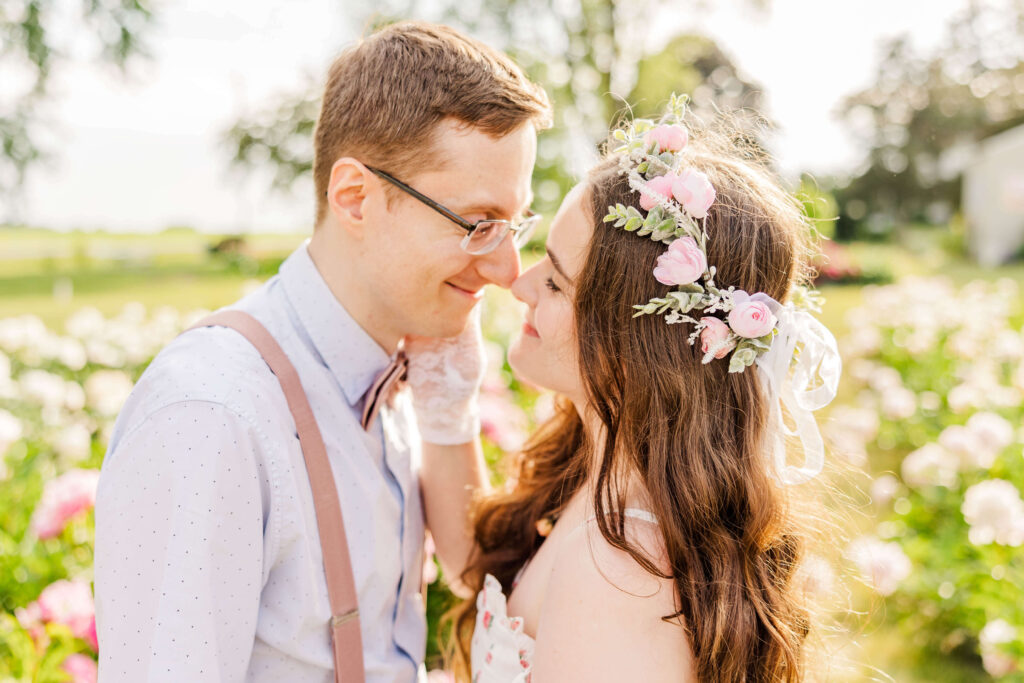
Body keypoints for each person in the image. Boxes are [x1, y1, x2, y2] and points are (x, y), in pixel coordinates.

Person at [93, 21, 550, 682]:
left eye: (516, 224)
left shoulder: (398, 360)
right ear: (355, 198)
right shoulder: (210, 413)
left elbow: (469, 572)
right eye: (480, 225)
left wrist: (449, 412)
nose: (509, 268)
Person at [446, 96, 842, 682]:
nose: (520, 285)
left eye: (555, 282)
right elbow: (476, 566)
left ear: (631, 348)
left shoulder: (620, 575)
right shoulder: (602, 472)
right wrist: (443, 397)